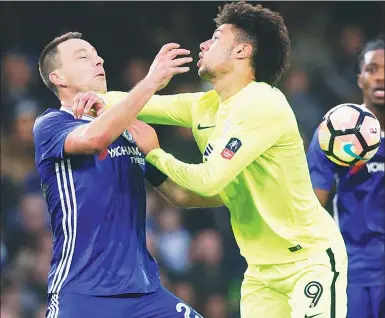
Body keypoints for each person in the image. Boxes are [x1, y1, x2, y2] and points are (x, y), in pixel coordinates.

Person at [74, 2, 349, 317]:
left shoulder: (263, 104)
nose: (204, 44)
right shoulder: (204, 106)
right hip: (260, 271)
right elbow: (142, 105)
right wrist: (96, 99)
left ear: (242, 51)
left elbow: (209, 181)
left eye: (216, 38)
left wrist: (154, 153)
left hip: (308, 262)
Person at [33, 32, 205, 318]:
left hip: (145, 293)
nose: (98, 59)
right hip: (84, 293)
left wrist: (238, 189)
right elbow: (95, 138)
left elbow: (181, 195)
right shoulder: (51, 125)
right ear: (58, 78)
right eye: (83, 56)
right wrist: (151, 82)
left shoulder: (131, 132)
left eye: (97, 54)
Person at [307, 38, 384, 318]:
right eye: (372, 68)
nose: (381, 77)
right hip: (354, 272)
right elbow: (313, 207)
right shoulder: (332, 134)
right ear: (359, 77)